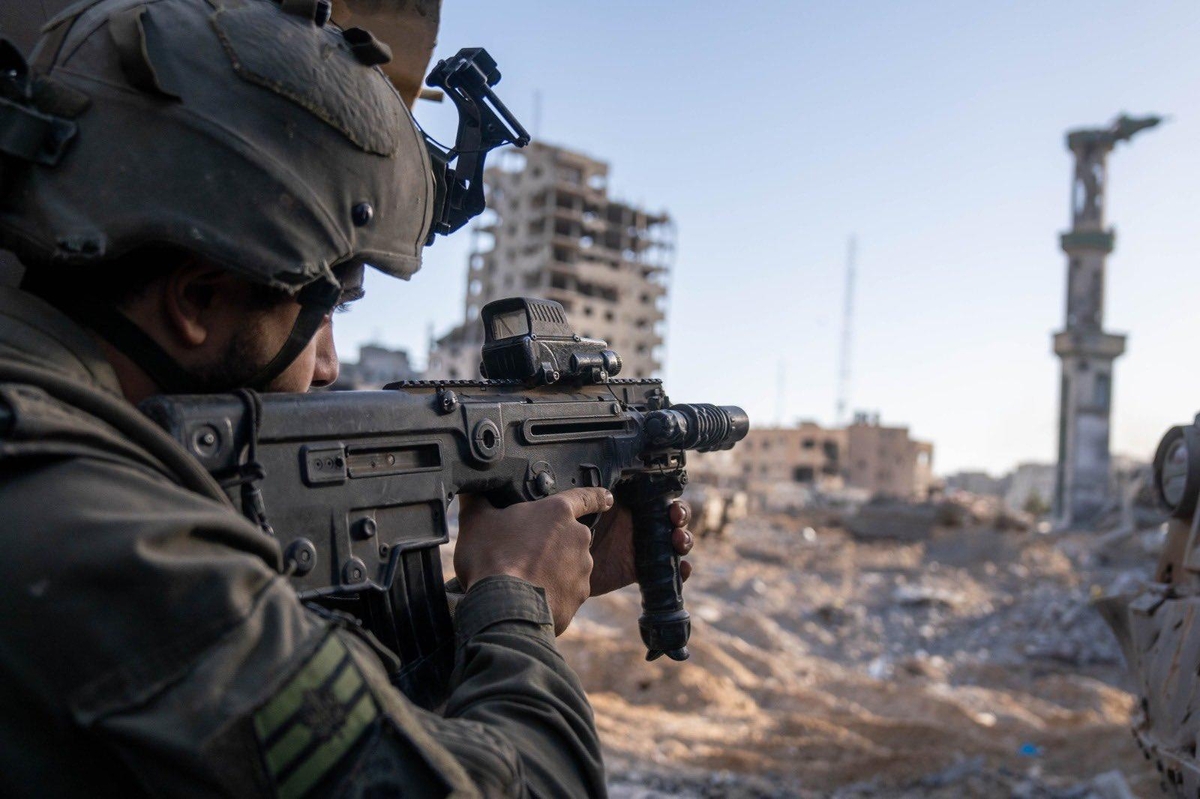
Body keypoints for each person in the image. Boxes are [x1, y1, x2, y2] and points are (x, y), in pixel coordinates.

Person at [0, 0, 692, 795]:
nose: (329, 365)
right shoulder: (108, 539)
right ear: (197, 300)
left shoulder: (69, 467)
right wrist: (517, 606)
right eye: (323, 310)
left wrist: (477, 601)